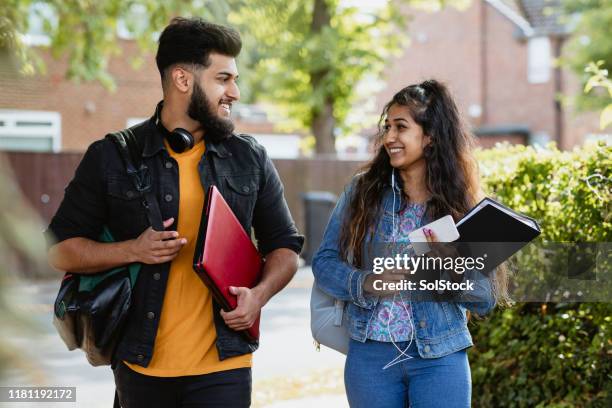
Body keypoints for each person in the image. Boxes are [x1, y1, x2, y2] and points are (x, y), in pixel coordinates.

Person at [46, 17, 303, 408]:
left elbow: (285, 246)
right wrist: (133, 250)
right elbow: (58, 249)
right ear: (183, 80)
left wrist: (259, 295)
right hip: (140, 367)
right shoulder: (112, 156)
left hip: (224, 367)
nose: (234, 91)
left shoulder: (248, 157)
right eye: (223, 78)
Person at [312, 80, 509, 408]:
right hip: (371, 356)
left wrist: (451, 271)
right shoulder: (363, 192)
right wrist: (365, 282)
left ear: (430, 137)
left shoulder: (462, 207)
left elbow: (484, 299)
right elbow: (324, 262)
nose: (389, 137)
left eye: (401, 127)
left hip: (439, 357)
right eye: (387, 127)